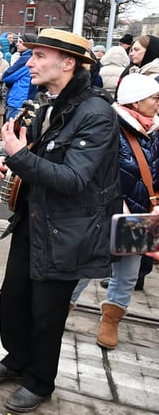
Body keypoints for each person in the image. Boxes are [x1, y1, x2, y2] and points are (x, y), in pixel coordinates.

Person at [0, 29, 120, 413]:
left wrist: (19, 155)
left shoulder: (95, 114)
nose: (30, 62)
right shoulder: (51, 104)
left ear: (68, 63)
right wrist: (8, 159)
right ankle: (17, 359)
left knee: (47, 313)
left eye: (40, 56)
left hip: (67, 230)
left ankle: (40, 381)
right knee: (15, 299)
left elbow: (73, 179)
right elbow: (38, 156)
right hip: (34, 219)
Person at [70, 73, 158, 348]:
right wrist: (115, 204)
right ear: (136, 101)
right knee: (89, 266)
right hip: (107, 211)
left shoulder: (155, 131)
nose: (158, 103)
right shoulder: (108, 126)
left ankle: (111, 321)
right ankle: (60, 308)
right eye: (155, 98)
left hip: (141, 214)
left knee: (128, 273)